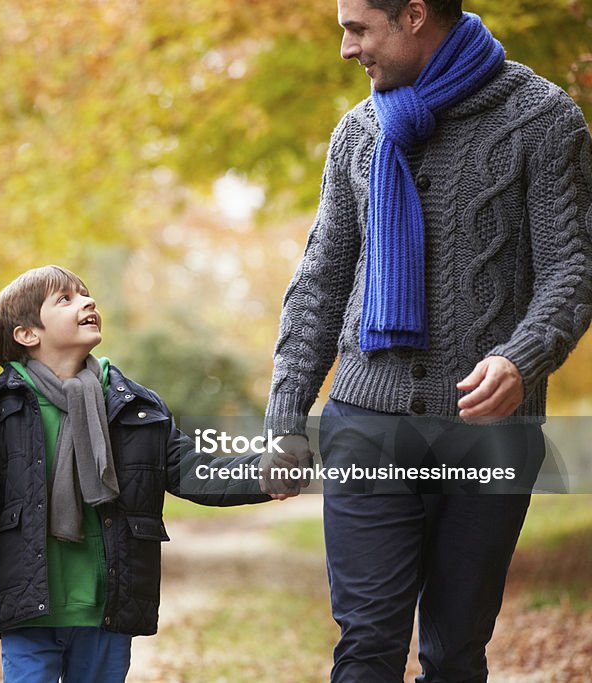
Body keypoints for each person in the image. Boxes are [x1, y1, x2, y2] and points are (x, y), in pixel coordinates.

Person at [263, 0, 592, 681]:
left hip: (488, 430)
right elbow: (320, 281)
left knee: (452, 652)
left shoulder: (543, 117)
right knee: (368, 645)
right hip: (366, 420)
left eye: (359, 29)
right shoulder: (357, 130)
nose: (347, 49)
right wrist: (285, 412)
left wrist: (521, 356)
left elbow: (571, 265)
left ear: (414, 15)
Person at [0, 265, 276, 682]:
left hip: (107, 607)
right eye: (65, 299)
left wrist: (263, 474)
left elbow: (194, 471)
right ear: (27, 334)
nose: (87, 302)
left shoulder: (135, 406)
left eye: (85, 294)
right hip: (31, 610)